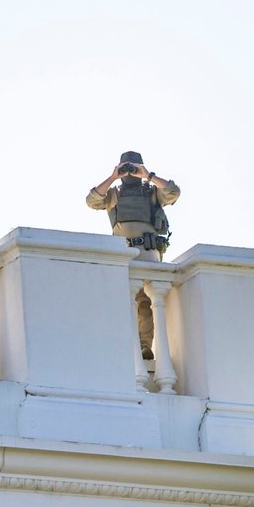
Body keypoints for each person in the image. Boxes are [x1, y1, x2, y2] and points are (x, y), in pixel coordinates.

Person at [86, 150, 181, 361]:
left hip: (148, 254)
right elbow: (92, 200)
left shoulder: (151, 192)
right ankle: (124, 347)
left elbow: (173, 192)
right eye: (126, 167)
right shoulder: (115, 194)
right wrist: (113, 177)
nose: (130, 172)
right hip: (123, 254)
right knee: (122, 303)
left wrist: (147, 175)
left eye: (133, 167)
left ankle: (144, 346)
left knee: (146, 304)